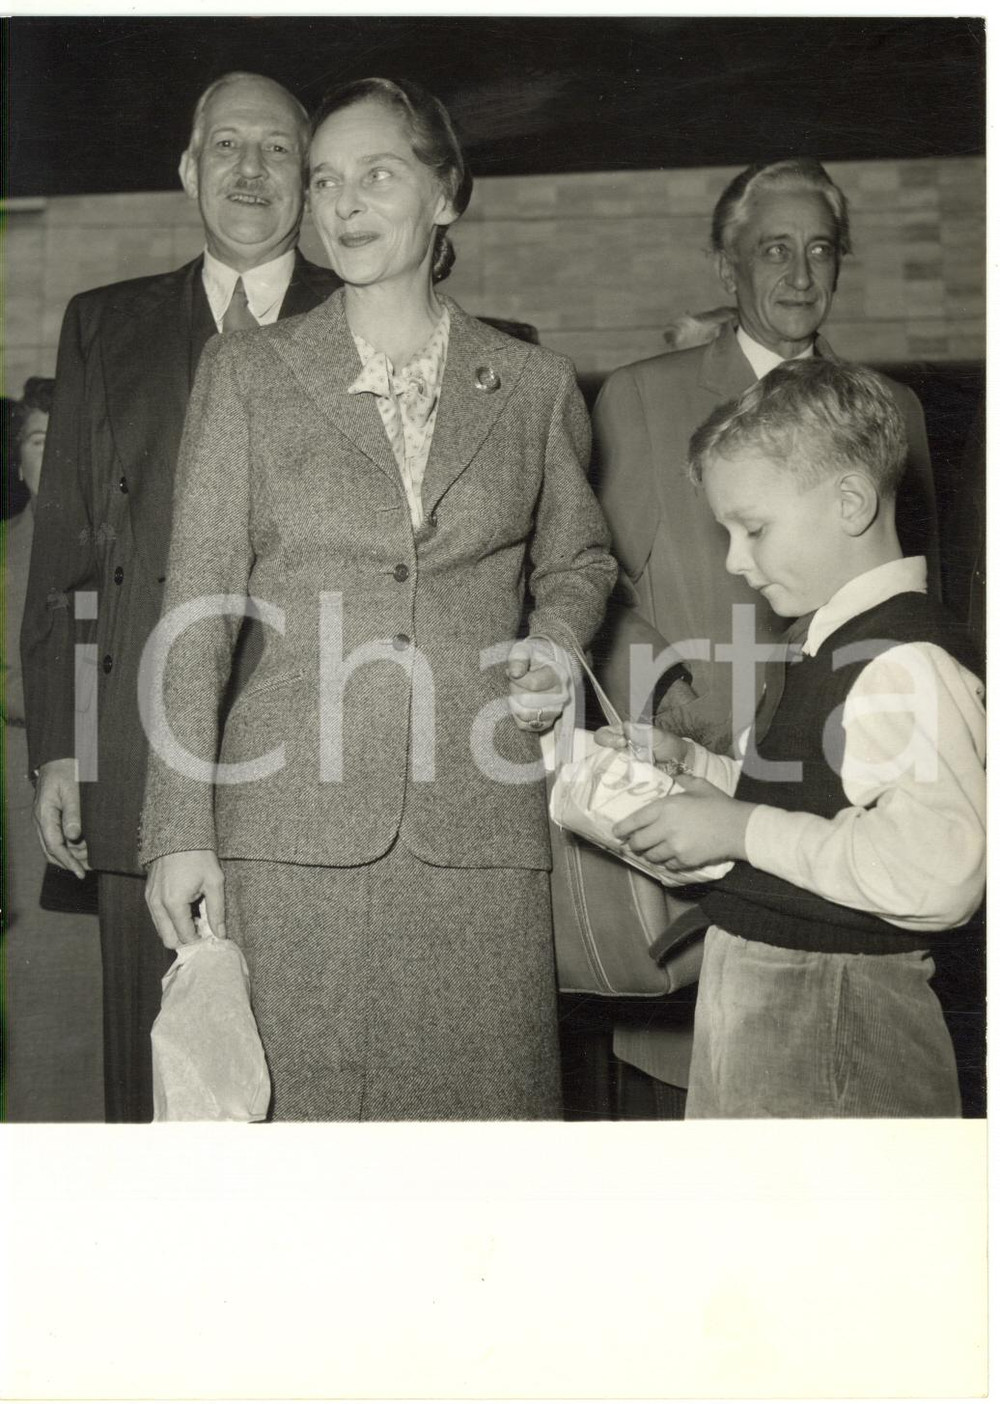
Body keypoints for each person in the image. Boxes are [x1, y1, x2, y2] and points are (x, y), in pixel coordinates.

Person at [139, 77, 616, 1121]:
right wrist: (179, 829)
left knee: (476, 1169)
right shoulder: (248, 372)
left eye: (377, 175)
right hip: (286, 830)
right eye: (324, 182)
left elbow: (581, 559)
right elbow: (199, 608)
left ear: (444, 197)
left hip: (476, 832)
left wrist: (554, 637)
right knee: (298, 1172)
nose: (342, 204)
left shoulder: (533, 382)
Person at [19, 72, 342, 1123]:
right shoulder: (102, 327)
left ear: (310, 177)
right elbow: (65, 557)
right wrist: (64, 744)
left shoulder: (359, 317)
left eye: (278, 150)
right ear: (188, 169)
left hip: (319, 757)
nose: (250, 170)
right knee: (144, 1083)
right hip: (136, 750)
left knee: (310, 1076)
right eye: (227, 146)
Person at [590, 157, 940, 1108]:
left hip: (842, 801)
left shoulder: (888, 410)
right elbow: (604, 591)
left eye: (819, 249)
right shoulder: (641, 399)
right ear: (726, 267)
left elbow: (909, 600)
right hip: (699, 787)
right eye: (772, 249)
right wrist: (672, 725)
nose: (798, 272)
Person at [600, 360, 985, 1117]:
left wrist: (741, 828)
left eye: (754, 529)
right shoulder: (821, 643)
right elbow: (796, 791)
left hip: (838, 1020)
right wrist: (694, 768)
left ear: (849, 502)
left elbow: (940, 875)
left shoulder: (903, 661)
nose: (735, 561)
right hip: (771, 1006)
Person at [4, 378, 103, 1121]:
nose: (56, 456)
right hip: (18, 796)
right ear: (18, 462)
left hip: (106, 796)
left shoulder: (112, 555)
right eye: (40, 441)